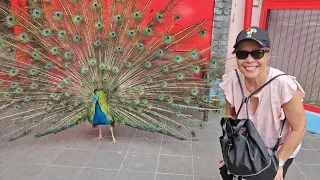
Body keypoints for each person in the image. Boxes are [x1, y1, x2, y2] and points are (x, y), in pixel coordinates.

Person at [218, 26, 306, 180]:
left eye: (257, 53)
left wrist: (278, 164)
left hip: (277, 149)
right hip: (248, 146)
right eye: (242, 54)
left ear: (268, 55)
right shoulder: (232, 80)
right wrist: (232, 150)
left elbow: (299, 129)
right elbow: (230, 115)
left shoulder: (283, 85)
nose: (249, 60)